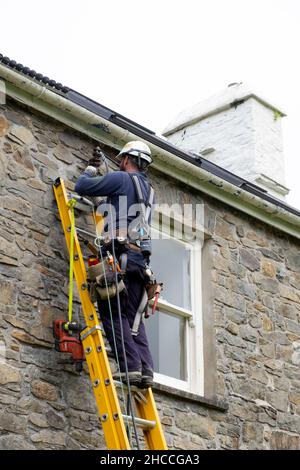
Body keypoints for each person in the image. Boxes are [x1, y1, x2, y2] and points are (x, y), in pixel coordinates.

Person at [75, 141, 154, 388]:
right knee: (133, 318)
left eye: (122, 160)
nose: (120, 163)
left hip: (120, 256)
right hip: (140, 262)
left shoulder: (120, 178)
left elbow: (81, 187)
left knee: (112, 312)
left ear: (127, 160)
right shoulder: (149, 191)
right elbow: (113, 207)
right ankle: (145, 370)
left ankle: (130, 367)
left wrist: (90, 169)